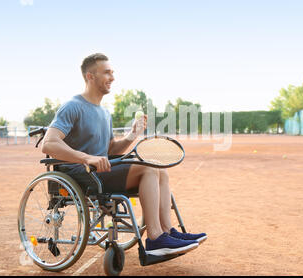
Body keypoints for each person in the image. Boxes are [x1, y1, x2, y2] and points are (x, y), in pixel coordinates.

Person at [41, 53, 206, 257]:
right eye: (107, 72)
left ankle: (167, 232)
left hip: (101, 171)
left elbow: (111, 150)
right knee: (148, 167)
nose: (112, 77)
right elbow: (48, 143)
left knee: (158, 167)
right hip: (81, 173)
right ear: (90, 76)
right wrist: (86, 157)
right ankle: (155, 238)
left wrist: (132, 135)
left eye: (113, 72)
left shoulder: (104, 113)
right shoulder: (72, 106)